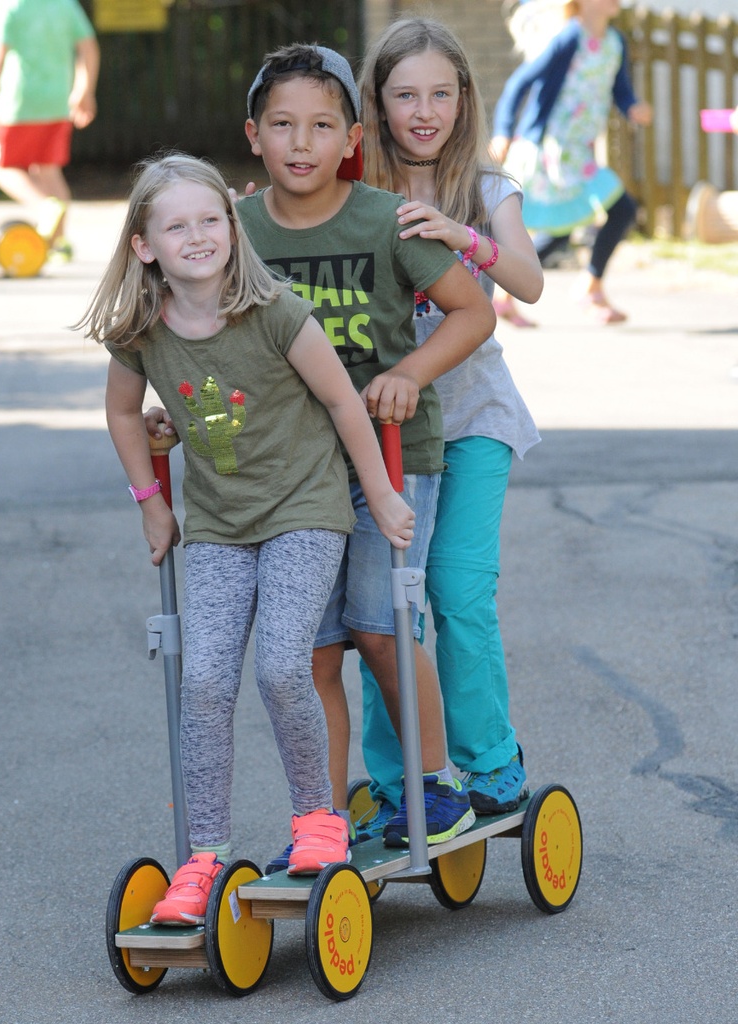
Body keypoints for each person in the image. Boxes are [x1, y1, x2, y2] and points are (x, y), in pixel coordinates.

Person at [77, 153, 415, 924]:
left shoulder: (276, 312)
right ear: (144, 245)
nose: (196, 236)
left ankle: (317, 821)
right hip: (221, 525)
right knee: (202, 682)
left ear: (232, 226)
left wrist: (384, 495)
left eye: (209, 219)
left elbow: (342, 401)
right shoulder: (139, 330)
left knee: (282, 665)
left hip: (304, 508)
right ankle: (203, 857)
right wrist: (150, 504)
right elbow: (125, 414)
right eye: (175, 225)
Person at [237, 43, 496, 854]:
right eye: (283, 125)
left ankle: (434, 784)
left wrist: (411, 373)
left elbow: (473, 313)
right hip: (292, 471)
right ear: (255, 136)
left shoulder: (384, 218)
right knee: (311, 652)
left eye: (321, 126)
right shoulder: (236, 229)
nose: (302, 144)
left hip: (386, 456)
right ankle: (321, 819)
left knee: (382, 626)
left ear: (353, 137)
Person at [354, 16, 543, 823]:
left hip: (472, 421)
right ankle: (403, 782)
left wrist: (463, 236)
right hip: (384, 430)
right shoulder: (357, 195)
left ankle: (492, 761)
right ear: (380, 102)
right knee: (382, 603)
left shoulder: (489, 192)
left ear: (464, 100)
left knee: (458, 591)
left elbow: (529, 284)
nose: (423, 110)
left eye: (440, 93)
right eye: (405, 95)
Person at [489, 0, 652, 327]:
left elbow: (620, 89)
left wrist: (633, 106)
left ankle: (503, 295)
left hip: (580, 151)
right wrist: (503, 132)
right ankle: (589, 286)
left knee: (562, 229)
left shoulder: (615, 42)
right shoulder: (568, 38)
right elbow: (518, 84)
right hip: (553, 149)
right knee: (620, 209)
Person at [0, 0, 100, 259]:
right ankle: (59, 244)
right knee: (48, 170)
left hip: (19, 103)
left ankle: (44, 208)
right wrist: (84, 90)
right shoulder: (64, 4)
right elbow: (88, 46)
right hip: (57, 102)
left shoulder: (6, 4)